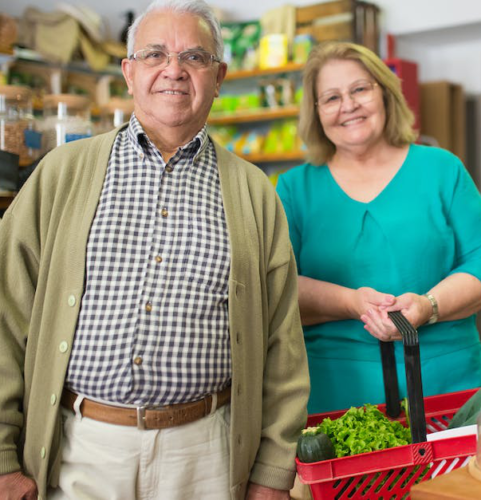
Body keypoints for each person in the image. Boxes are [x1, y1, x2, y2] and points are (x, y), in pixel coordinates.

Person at [0, 1, 309, 499]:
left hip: (208, 455)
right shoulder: (62, 173)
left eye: (195, 57)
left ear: (219, 75)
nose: (174, 71)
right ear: (128, 72)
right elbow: (4, 312)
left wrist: (273, 471)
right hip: (80, 448)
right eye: (154, 55)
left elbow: (282, 346)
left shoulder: (254, 193)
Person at [276, 41, 481, 414]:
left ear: (384, 93)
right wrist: (351, 303)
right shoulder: (293, 189)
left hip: (447, 387)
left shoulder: (441, 169)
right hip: (338, 395)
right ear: (316, 112)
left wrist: (427, 307)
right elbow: (278, 285)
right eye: (331, 97)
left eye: (360, 89)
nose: (348, 105)